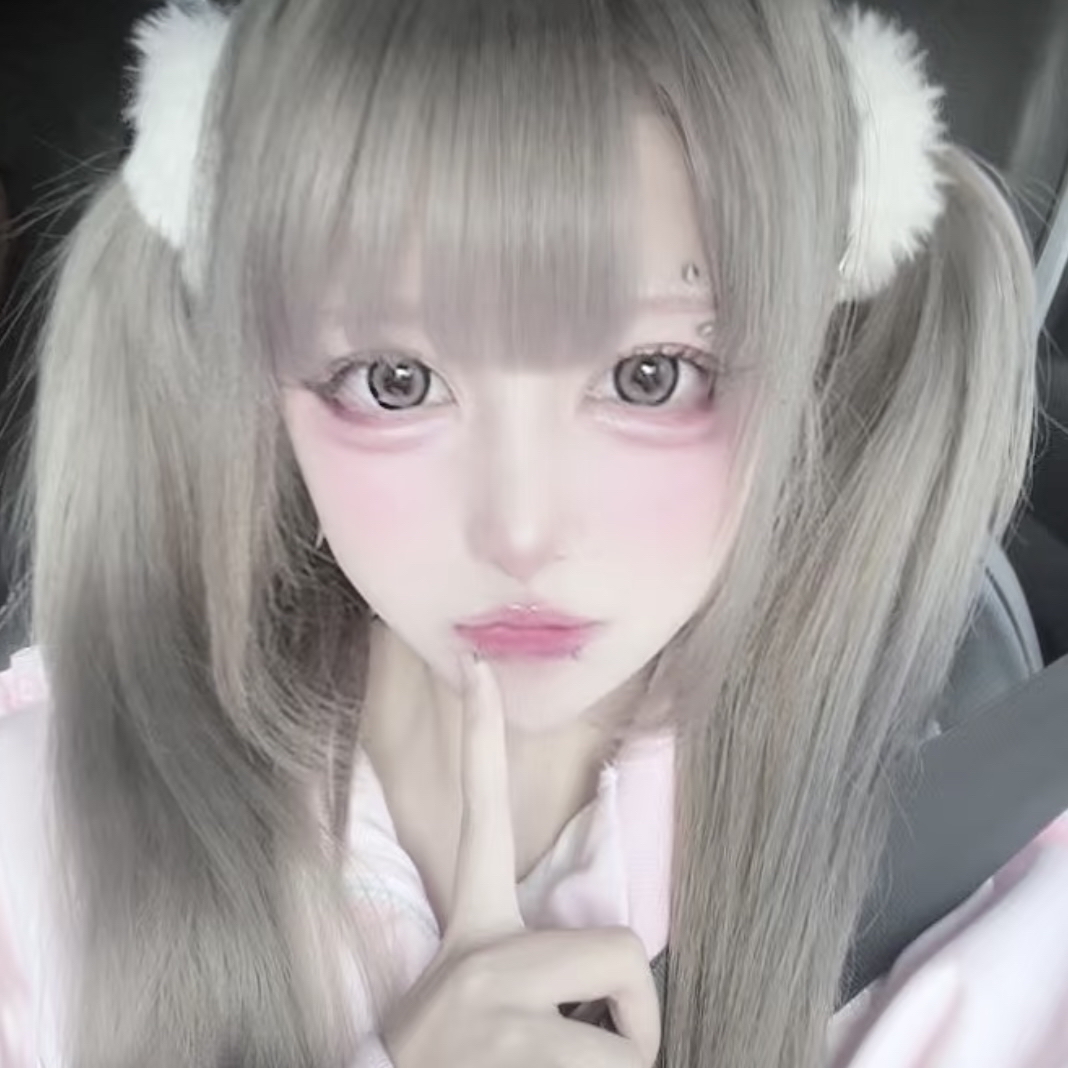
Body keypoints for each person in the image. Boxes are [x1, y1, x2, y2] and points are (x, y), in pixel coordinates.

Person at [0, 0, 1066, 1065]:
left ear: (806, 361)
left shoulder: (967, 903)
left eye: (651, 376)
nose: (520, 532)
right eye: (395, 380)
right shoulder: (36, 834)